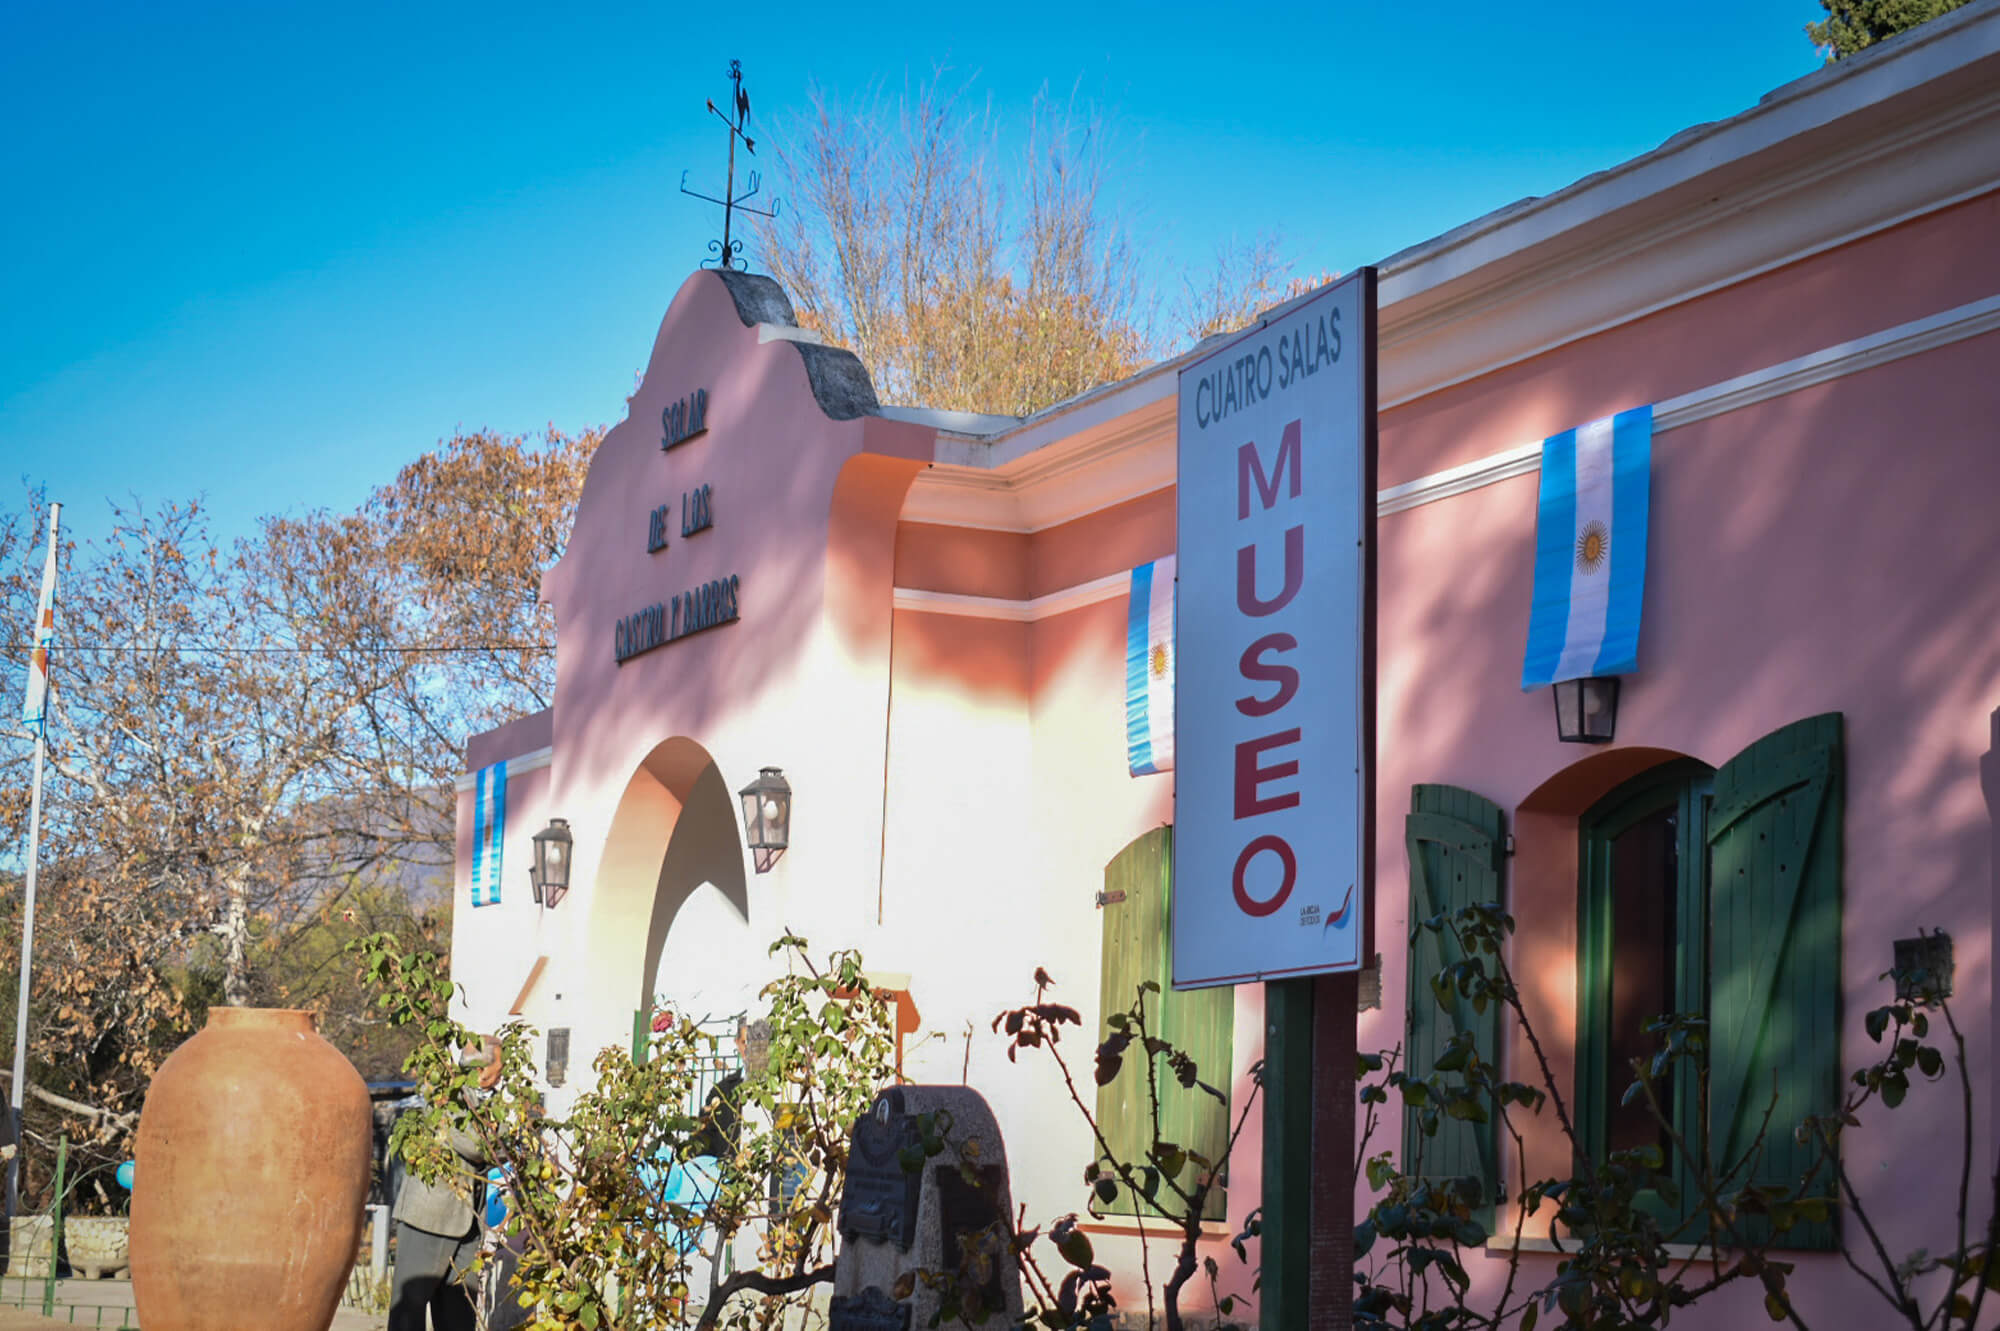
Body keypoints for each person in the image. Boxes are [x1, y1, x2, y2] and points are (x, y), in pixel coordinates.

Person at [387, 1038, 502, 1331]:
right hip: (428, 1219)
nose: (504, 1073)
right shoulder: (446, 1096)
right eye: (501, 1065)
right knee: (408, 1314)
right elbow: (476, 1146)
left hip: (467, 1225)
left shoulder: (486, 1100)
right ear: (483, 1069)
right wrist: (510, 1145)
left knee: (459, 1316)